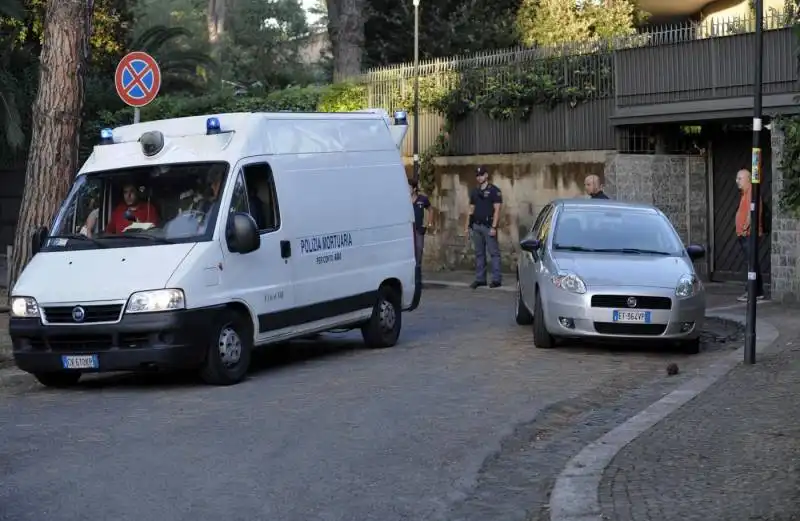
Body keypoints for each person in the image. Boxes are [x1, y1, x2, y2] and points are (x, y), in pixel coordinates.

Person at [465, 166, 503, 289]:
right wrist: (468, 226)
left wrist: (494, 227)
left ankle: (496, 279)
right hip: (477, 225)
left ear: (486, 175)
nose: (479, 177)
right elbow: (471, 209)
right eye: (477, 175)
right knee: (479, 253)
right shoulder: (475, 191)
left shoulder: (494, 191)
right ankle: (480, 279)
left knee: (494, 253)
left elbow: (497, 210)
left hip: (488, 226)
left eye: (481, 175)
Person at [735, 168, 766, 302]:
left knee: (751, 264)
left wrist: (745, 227)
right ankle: (757, 291)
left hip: (749, 234)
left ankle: (753, 292)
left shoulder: (751, 193)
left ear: (748, 179)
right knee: (751, 262)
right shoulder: (745, 193)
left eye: (739, 178)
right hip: (745, 234)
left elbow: (753, 212)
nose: (737, 181)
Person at [410, 179, 432, 266]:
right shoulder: (405, 199)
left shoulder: (422, 199)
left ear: (414, 189)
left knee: (419, 250)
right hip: (408, 230)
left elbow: (430, 209)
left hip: (419, 229)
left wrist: (429, 223)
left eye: (409, 187)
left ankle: (418, 271)